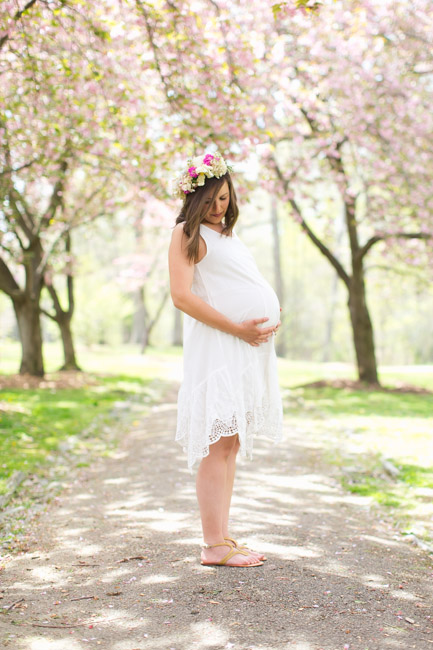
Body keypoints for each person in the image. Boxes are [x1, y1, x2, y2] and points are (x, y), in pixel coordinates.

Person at [168, 152, 283, 567]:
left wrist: (271, 315)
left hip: (244, 349)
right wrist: (238, 328)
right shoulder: (187, 232)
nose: (219, 207)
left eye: (225, 198)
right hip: (219, 348)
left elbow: (242, 283)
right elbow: (182, 296)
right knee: (217, 445)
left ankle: (222, 534)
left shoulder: (228, 236)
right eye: (212, 199)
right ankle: (211, 545)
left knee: (231, 443)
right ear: (196, 198)